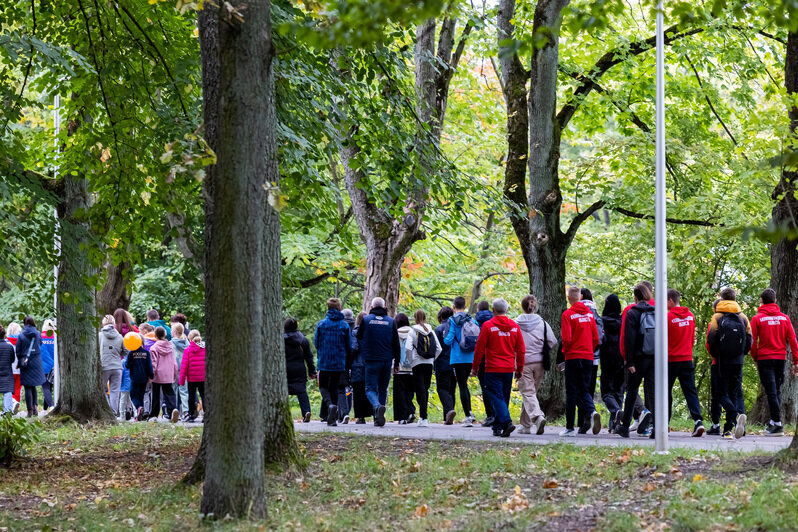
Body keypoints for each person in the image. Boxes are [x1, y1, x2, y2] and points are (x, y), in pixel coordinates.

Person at [472, 299, 524, 437]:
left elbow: (479, 348)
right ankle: (498, 426)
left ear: (493, 311)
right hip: (508, 368)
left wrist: (475, 367)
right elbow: (521, 349)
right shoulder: (514, 327)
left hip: (493, 368)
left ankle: (506, 422)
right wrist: (519, 368)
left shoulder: (488, 326)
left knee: (496, 397)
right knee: (503, 398)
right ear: (506, 310)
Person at [750, 288, 798, 436]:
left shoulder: (757, 318)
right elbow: (793, 340)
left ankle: (777, 424)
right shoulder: (785, 318)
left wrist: (755, 358)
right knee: (775, 390)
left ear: (762, 301)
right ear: (775, 300)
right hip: (780, 359)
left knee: (771, 392)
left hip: (765, 359)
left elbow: (752, 342)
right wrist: (796, 361)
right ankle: (773, 422)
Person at [706, 287, 752, 439]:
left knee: (721, 393)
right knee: (735, 392)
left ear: (722, 298)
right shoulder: (743, 317)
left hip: (721, 360)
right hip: (738, 361)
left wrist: (717, 355)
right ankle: (729, 429)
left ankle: (734, 414)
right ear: (734, 299)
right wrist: (741, 354)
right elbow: (749, 340)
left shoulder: (717, 317)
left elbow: (711, 339)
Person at [560, 287, 601, 436]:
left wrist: (566, 351)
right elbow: (596, 338)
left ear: (569, 298)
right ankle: (592, 411)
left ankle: (570, 428)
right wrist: (589, 348)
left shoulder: (567, 315)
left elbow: (566, 339)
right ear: (579, 297)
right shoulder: (590, 315)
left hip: (573, 356)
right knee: (584, 389)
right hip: (588, 357)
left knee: (571, 391)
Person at [617, 284, 657, 438]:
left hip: (638, 359)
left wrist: (630, 361)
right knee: (652, 393)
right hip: (653, 358)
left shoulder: (632, 312)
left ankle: (625, 427)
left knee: (632, 391)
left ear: (635, 297)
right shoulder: (656, 312)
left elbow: (629, 339)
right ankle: (655, 428)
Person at [516, 295, 557, 435]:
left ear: (522, 307)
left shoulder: (516, 323)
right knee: (530, 393)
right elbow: (552, 341)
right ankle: (525, 426)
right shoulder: (543, 323)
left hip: (522, 362)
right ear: (535, 306)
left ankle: (537, 417)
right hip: (540, 363)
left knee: (528, 393)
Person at [666, 289, 704, 437]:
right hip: (687, 358)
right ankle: (698, 421)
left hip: (671, 360)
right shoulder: (690, 316)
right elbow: (692, 337)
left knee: (665, 392)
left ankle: (665, 424)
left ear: (670, 301)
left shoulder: (668, 317)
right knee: (690, 392)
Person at [357, 297, 400, 427]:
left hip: (371, 359)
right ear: (384, 307)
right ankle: (378, 416)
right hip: (387, 360)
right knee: (382, 388)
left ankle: (377, 407)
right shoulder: (391, 322)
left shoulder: (366, 320)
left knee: (370, 388)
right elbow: (396, 344)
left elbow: (358, 336)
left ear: (371, 307)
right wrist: (397, 362)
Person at [314, 297, 352, 427]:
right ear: (339, 308)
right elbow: (349, 346)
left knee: (323, 386)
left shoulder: (321, 324)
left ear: (328, 308)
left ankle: (329, 405)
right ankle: (333, 418)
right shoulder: (344, 325)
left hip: (324, 361)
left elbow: (316, 343)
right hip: (338, 363)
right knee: (335, 388)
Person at [444, 296, 480, 427]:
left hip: (457, 358)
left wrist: (445, 336)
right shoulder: (471, 320)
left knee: (462, 386)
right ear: (464, 307)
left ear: (453, 307)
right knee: (465, 385)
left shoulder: (452, 320)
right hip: (470, 357)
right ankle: (469, 413)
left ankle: (468, 415)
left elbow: (448, 340)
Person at [406, 309, 442, 427]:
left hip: (417, 363)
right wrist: (432, 359)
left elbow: (408, 348)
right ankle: (424, 417)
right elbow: (439, 349)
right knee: (425, 389)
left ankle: (423, 417)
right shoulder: (430, 331)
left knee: (420, 390)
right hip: (429, 364)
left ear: (415, 318)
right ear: (425, 318)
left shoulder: (412, 331)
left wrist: (412, 361)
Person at [577, 288, 604, 433]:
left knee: (578, 389)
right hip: (595, 358)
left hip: (581, 355)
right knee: (589, 389)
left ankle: (584, 420)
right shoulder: (596, 313)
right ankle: (588, 418)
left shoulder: (579, 312)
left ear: (581, 296)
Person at [600, 294, 625, 433]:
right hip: (621, 359)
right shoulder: (623, 321)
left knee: (606, 393)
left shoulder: (602, 321)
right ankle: (614, 425)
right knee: (619, 391)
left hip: (607, 359)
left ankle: (615, 411)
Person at [284, 317, 316, 422]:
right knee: (301, 391)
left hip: (285, 369)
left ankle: (283, 412)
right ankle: (306, 411)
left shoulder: (280, 339)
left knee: (284, 391)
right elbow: (309, 357)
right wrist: (312, 371)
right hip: (299, 368)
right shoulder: (303, 340)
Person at [149, 326, 179, 423]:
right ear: (165, 334)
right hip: (168, 373)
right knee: (169, 392)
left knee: (156, 394)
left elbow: (153, 363)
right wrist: (174, 373)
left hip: (158, 374)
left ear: (155, 335)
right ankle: (172, 410)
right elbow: (174, 362)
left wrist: (151, 375)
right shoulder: (171, 347)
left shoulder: (154, 348)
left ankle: (154, 415)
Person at [474, 300, 496, 428]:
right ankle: (498, 414)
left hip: (482, 359)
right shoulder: (494, 321)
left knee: (485, 387)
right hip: (495, 358)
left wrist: (474, 365)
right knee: (496, 387)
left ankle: (490, 415)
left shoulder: (474, 322)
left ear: (478, 309)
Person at [99, 314, 126, 417]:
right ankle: (114, 412)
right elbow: (126, 351)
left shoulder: (100, 335)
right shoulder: (119, 336)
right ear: (114, 323)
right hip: (117, 367)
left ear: (103, 323)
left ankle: (106, 411)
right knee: (115, 390)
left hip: (104, 366)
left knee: (103, 389)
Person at [16, 317, 43, 418]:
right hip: (36, 362)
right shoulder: (37, 333)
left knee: (27, 386)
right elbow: (40, 344)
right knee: (34, 385)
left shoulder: (21, 335)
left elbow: (18, 350)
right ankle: (35, 407)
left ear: (24, 324)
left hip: (25, 362)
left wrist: (22, 358)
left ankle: (30, 410)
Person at [434, 307, 457, 425]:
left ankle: (449, 410)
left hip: (442, 362)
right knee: (452, 389)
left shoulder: (438, 330)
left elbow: (435, 348)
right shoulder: (455, 328)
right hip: (455, 363)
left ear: (440, 316)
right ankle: (447, 417)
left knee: (442, 388)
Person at [393, 313, 416, 424]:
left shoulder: (395, 333)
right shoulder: (414, 332)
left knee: (400, 393)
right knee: (410, 392)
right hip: (412, 367)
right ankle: (411, 411)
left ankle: (402, 417)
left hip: (399, 367)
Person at [180, 330, 206, 422]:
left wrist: (182, 380)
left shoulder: (188, 350)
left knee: (191, 396)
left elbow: (184, 366)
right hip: (203, 377)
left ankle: (191, 415)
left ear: (190, 338)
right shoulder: (205, 348)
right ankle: (206, 415)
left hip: (191, 378)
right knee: (204, 395)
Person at [125, 334, 153, 421]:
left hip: (135, 378)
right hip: (144, 378)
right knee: (141, 396)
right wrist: (151, 376)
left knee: (133, 395)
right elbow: (149, 366)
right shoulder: (146, 353)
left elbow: (127, 366)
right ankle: (140, 416)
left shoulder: (131, 353)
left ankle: (139, 407)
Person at [170, 323, 190, 419]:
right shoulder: (187, 343)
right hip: (185, 370)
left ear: (174, 332)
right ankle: (186, 412)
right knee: (184, 391)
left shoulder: (171, 343)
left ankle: (174, 410)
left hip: (173, 370)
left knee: (173, 391)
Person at [40, 319, 55, 411]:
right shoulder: (55, 337)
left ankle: (51, 407)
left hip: (43, 366)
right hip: (53, 366)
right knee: (50, 388)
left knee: (46, 388)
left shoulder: (40, 337)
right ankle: (45, 410)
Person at [0, 326, 15, 414]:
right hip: (7, 372)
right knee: (7, 391)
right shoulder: (9, 347)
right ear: (4, 335)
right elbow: (12, 360)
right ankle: (8, 411)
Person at [6, 322, 21, 410]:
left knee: (9, 389)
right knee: (18, 388)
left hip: (9, 369)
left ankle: (11, 404)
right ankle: (16, 403)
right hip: (19, 368)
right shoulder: (21, 341)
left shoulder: (6, 342)